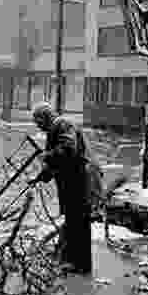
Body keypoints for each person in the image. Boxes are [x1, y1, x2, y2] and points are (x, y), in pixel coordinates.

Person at [29, 101, 102, 274]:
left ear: (45, 117)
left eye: (38, 122)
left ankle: (80, 265)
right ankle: (73, 261)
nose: (38, 127)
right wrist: (41, 177)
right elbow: (59, 162)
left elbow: (68, 150)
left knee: (79, 222)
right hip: (74, 181)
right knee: (74, 221)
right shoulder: (56, 128)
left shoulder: (63, 125)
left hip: (81, 181)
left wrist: (47, 156)